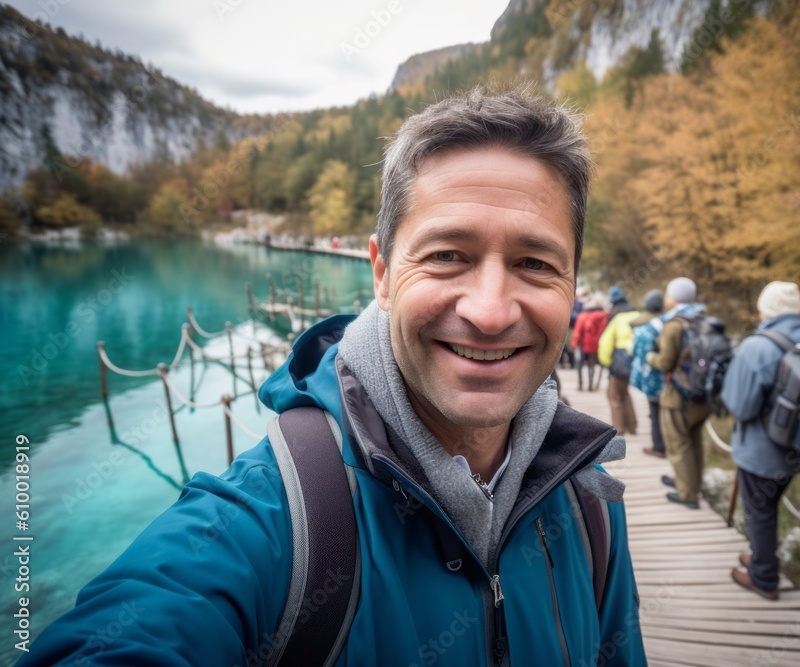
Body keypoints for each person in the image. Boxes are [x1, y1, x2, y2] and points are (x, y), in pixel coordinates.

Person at [20, 89, 646, 667]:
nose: (489, 310)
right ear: (381, 271)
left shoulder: (588, 501)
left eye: (534, 263)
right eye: (446, 255)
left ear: (572, 283)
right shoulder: (276, 521)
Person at [722, 281, 800, 599]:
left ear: (766, 309)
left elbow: (739, 405)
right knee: (768, 509)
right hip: (798, 448)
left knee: (759, 512)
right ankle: (762, 557)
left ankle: (764, 576)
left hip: (760, 451)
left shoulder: (757, 346)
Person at [647, 277, 708, 509]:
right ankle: (691, 484)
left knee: (678, 444)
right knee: (695, 440)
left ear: (673, 297)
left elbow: (665, 363)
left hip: (679, 394)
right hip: (703, 393)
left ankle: (687, 495)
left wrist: (650, 357)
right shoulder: (705, 319)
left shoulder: (674, 325)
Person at [627, 290, 667, 458]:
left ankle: (658, 446)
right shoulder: (671, 324)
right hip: (673, 379)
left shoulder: (643, 330)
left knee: (655, 411)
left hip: (652, 379)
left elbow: (636, 354)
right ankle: (669, 444)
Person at [598, 292, 640, 436]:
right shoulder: (637, 314)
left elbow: (605, 343)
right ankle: (633, 426)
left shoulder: (617, 318)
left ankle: (619, 428)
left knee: (614, 394)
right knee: (625, 392)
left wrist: (607, 362)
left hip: (620, 362)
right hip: (636, 361)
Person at [571, 295, 608, 391]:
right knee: (591, 365)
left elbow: (578, 331)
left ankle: (580, 384)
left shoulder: (583, 315)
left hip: (583, 344)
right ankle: (591, 386)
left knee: (579, 364)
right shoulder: (604, 316)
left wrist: (574, 344)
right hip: (596, 345)